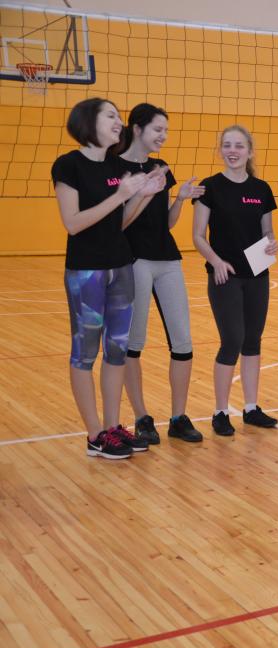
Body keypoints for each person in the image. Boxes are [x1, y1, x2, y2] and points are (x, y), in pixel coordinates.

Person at [53, 97, 165, 459]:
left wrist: (143, 196)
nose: (119, 122)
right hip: (86, 270)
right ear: (88, 121)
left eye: (119, 117)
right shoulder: (68, 165)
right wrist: (121, 195)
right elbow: (73, 224)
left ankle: (113, 427)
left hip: (121, 267)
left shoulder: (117, 166)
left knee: (117, 350)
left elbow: (121, 223)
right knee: (85, 353)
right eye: (111, 116)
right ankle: (94, 435)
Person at [117, 103, 204, 445]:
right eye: (158, 129)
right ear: (137, 129)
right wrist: (139, 191)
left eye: (166, 130)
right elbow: (119, 222)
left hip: (168, 259)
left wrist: (179, 199)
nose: (163, 136)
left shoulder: (161, 168)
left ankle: (179, 418)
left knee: (183, 342)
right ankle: (141, 417)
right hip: (133, 260)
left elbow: (166, 223)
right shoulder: (116, 168)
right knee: (133, 344)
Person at [192, 125, 278, 436]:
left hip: (257, 273)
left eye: (239, 146)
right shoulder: (210, 187)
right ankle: (220, 412)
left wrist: (272, 243)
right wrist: (216, 261)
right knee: (232, 340)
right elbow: (198, 235)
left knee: (253, 340)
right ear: (221, 150)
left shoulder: (261, 189)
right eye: (227, 145)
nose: (233, 151)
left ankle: (251, 408)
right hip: (224, 274)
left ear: (249, 151)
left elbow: (267, 231)